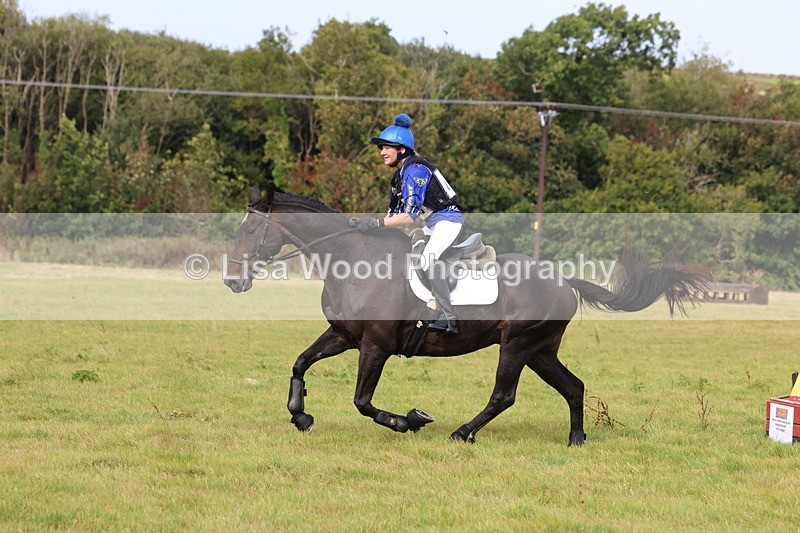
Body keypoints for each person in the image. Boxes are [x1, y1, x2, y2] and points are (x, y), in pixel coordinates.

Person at [350, 113, 464, 333]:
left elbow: (407, 217)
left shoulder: (415, 171)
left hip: (449, 220)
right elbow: (392, 215)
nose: (382, 152)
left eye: (386, 147)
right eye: (381, 148)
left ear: (401, 149)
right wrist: (365, 229)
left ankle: (449, 317)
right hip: (432, 224)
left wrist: (374, 224)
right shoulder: (399, 176)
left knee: (428, 259)